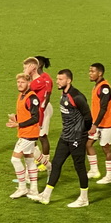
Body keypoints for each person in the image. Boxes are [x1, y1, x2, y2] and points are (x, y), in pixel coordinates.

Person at [35, 69, 91, 207]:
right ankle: (46, 195)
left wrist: (82, 133)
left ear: (69, 80)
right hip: (65, 136)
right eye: (57, 79)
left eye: (61, 79)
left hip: (77, 137)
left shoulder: (77, 97)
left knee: (79, 167)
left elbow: (88, 117)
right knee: (56, 164)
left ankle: (84, 199)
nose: (57, 81)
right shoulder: (64, 94)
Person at [6, 73, 41, 199]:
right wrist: (15, 118)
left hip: (29, 134)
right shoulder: (21, 95)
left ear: (29, 83)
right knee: (29, 160)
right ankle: (34, 189)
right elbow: (25, 114)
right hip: (25, 133)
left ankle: (22, 188)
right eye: (18, 82)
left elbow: (36, 118)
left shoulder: (32, 98)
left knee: (15, 159)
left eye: (22, 82)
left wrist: (18, 124)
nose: (20, 84)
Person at [86, 63, 111, 184]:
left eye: (93, 71)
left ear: (100, 73)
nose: (90, 73)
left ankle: (110, 176)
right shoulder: (97, 86)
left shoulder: (104, 88)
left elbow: (103, 108)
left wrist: (95, 125)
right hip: (97, 123)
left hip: (106, 124)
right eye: (89, 71)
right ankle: (94, 170)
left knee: (106, 149)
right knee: (88, 144)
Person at [23, 56, 53, 171]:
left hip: (43, 108)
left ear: (38, 65)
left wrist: (42, 109)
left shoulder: (45, 79)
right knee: (34, 137)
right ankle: (39, 157)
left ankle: (45, 160)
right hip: (35, 109)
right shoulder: (34, 77)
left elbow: (47, 96)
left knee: (42, 136)